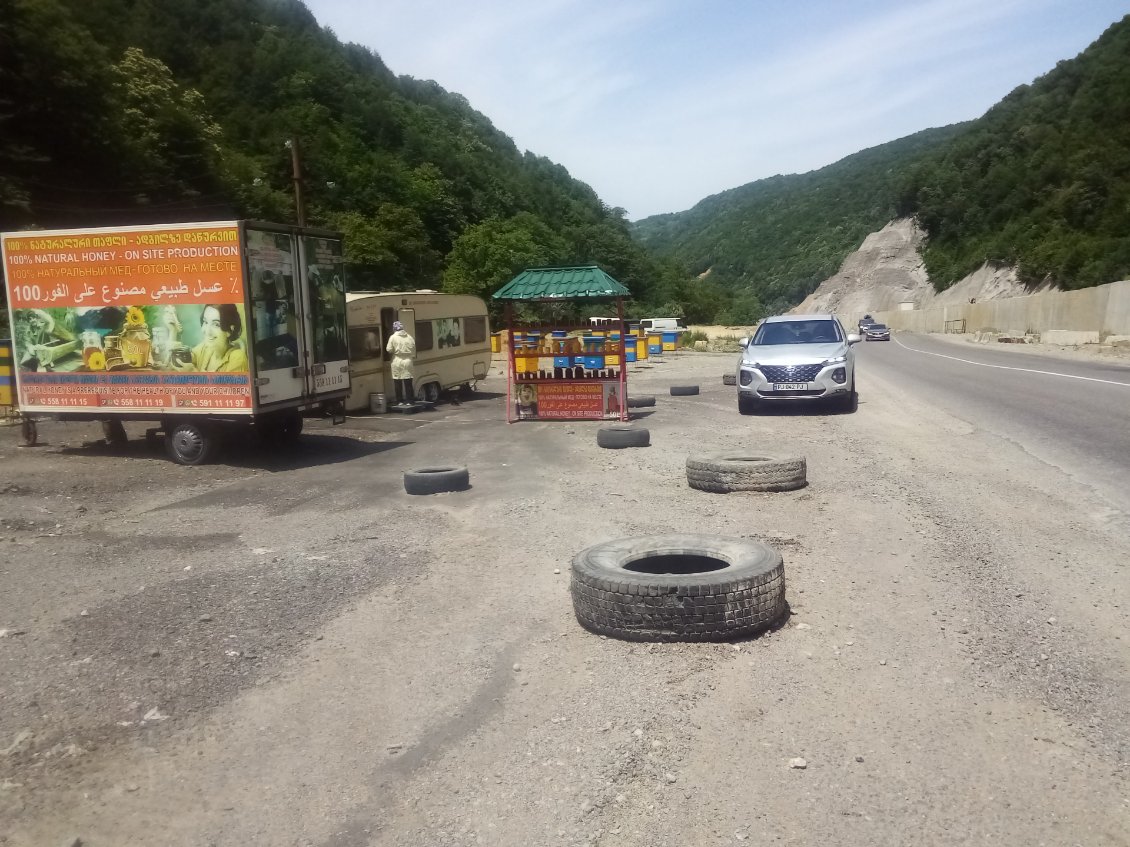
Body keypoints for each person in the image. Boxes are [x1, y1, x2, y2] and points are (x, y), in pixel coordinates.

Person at [177, 304, 248, 373]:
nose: (207, 331)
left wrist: (193, 372)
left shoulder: (238, 358)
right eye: (205, 322)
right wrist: (173, 331)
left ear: (230, 330)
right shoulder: (205, 348)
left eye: (216, 324)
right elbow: (187, 357)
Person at [385, 319, 417, 404]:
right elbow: (413, 348)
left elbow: (389, 349)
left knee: (397, 381)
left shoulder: (393, 337)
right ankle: (410, 400)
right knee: (408, 382)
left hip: (397, 361)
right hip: (408, 360)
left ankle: (399, 401)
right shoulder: (409, 337)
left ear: (394, 329)